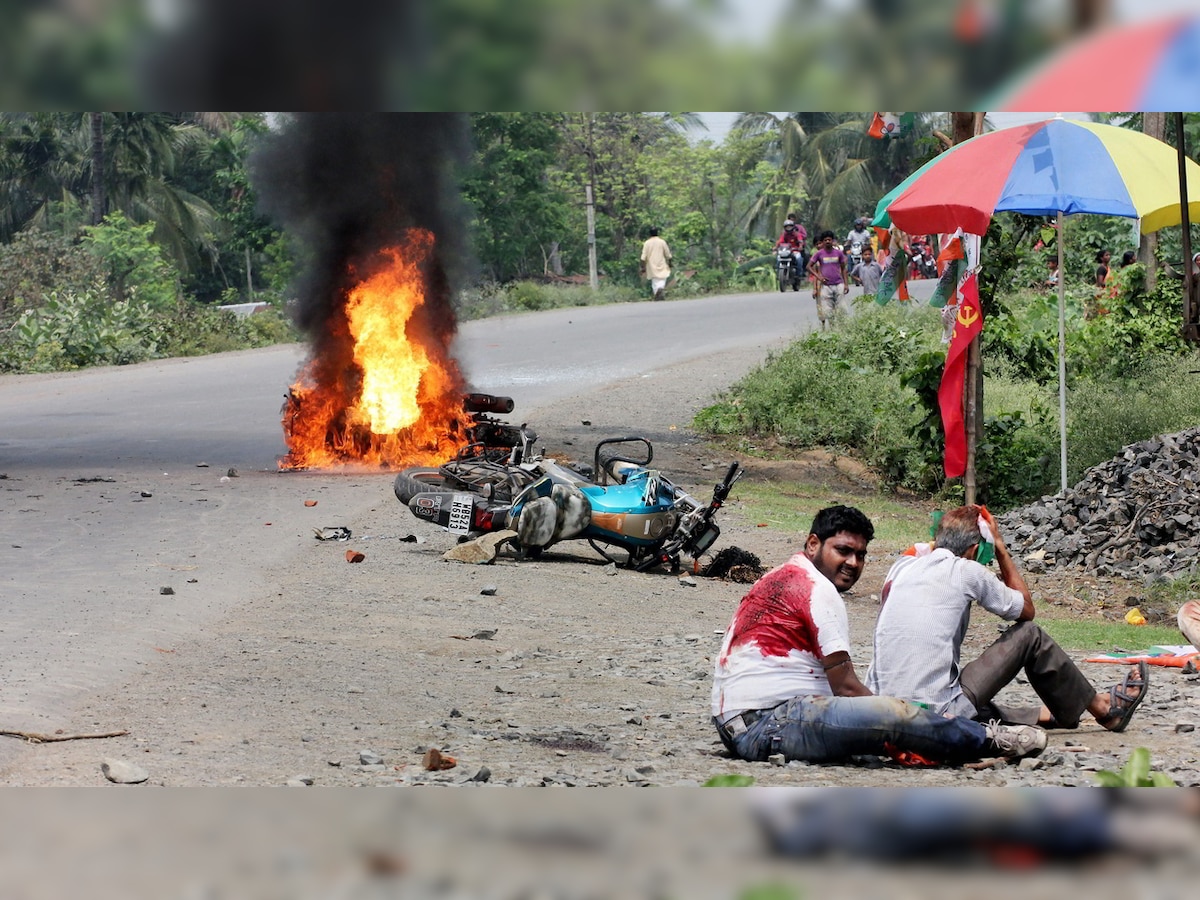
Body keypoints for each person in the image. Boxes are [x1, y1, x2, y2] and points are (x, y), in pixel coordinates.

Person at [711, 505, 1047, 767]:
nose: (853, 563)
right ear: (813, 544)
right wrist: (894, 720)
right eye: (842, 551)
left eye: (860, 555)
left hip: (740, 723)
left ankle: (986, 726)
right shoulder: (816, 590)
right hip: (771, 724)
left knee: (886, 713)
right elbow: (845, 686)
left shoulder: (779, 576)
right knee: (891, 714)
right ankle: (989, 740)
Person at [867, 505, 1149, 734]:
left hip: (882, 710)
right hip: (936, 713)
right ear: (975, 551)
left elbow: (920, 549)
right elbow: (1026, 610)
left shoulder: (900, 566)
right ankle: (1103, 710)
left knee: (954, 690)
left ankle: (1047, 715)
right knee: (1030, 635)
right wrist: (1000, 548)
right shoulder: (966, 570)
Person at [806, 231, 850, 330]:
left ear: (832, 240)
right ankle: (833, 329)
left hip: (839, 284)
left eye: (829, 239)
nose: (827, 241)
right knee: (828, 310)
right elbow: (809, 266)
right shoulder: (819, 254)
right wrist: (819, 277)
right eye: (825, 240)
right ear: (823, 241)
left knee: (842, 308)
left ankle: (843, 328)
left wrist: (846, 284)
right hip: (825, 286)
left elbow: (843, 269)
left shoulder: (838, 253)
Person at [639, 227, 672, 302]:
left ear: (649, 234)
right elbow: (668, 255)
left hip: (651, 265)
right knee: (663, 278)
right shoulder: (662, 242)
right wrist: (670, 263)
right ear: (657, 233)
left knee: (655, 281)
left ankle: (657, 293)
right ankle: (660, 290)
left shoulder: (647, 243)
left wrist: (643, 267)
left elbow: (643, 257)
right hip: (661, 263)